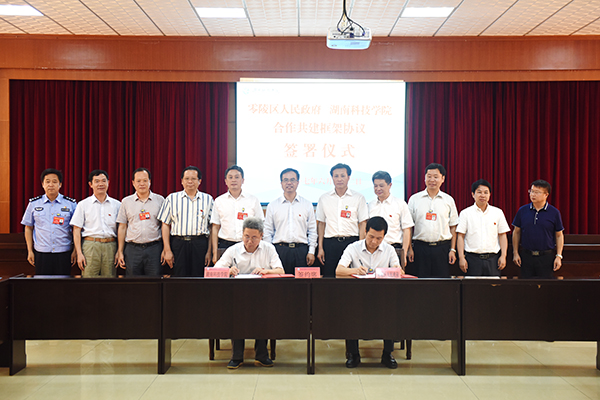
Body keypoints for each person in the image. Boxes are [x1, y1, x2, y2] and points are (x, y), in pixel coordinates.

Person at [212, 217, 284, 369]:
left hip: (263, 295)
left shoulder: (269, 248)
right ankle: (237, 356)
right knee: (236, 314)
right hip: (238, 295)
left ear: (261, 236)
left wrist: (266, 271)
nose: (249, 241)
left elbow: (280, 270)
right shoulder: (234, 250)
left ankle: (262, 355)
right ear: (242, 234)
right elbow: (215, 270)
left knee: (264, 313)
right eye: (246, 236)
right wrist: (228, 270)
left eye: (254, 237)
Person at [336, 216, 401, 369]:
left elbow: (399, 271)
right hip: (358, 295)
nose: (374, 241)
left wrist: (388, 272)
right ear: (365, 232)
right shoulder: (353, 248)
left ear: (384, 236)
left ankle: (387, 354)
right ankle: (354, 354)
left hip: (383, 295)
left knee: (391, 310)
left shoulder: (389, 250)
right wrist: (354, 270)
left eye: (379, 238)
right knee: (351, 310)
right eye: (371, 236)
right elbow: (338, 271)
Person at [157, 166, 213, 277]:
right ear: (182, 181)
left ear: (199, 181)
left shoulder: (208, 199)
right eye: (187, 179)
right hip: (178, 244)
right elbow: (165, 224)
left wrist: (209, 251)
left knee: (199, 279)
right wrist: (167, 249)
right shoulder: (172, 198)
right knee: (179, 278)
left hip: (200, 244)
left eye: (193, 179)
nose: (190, 181)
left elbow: (212, 227)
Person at [21, 168, 77, 275]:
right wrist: (30, 251)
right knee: (43, 283)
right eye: (47, 181)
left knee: (63, 283)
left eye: (54, 181)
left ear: (60, 184)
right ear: (42, 184)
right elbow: (28, 227)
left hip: (64, 252)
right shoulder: (34, 204)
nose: (51, 184)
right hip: (42, 253)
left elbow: (76, 229)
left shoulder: (71, 204)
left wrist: (75, 251)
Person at [316, 163, 368, 277]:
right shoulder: (324, 198)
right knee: (330, 276)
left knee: (352, 276)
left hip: (352, 242)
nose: (339, 179)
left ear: (348, 177)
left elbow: (362, 223)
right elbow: (321, 224)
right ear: (332, 178)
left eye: (342, 176)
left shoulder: (358, 197)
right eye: (336, 176)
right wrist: (320, 248)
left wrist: (361, 247)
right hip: (330, 244)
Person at [407, 163, 458, 278]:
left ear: (442, 179)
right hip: (420, 248)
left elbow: (453, 227)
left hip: (442, 249)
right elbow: (408, 227)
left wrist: (452, 249)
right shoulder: (414, 199)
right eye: (429, 176)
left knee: (441, 283)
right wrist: (410, 248)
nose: (432, 180)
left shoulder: (448, 200)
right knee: (421, 283)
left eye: (436, 177)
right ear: (424, 178)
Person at [263, 168, 317, 274]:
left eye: (292, 180)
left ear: (298, 182)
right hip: (280, 250)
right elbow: (268, 231)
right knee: (280, 282)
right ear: (281, 183)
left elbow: (312, 230)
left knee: (301, 283)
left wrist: (311, 251)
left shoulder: (307, 204)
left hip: (301, 251)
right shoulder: (273, 205)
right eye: (285, 180)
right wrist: (269, 253)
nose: (289, 183)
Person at [70, 169, 121, 277]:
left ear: (108, 182)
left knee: (110, 280)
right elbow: (76, 229)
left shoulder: (117, 205)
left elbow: (121, 228)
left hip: (110, 246)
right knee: (89, 280)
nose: (100, 184)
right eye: (97, 181)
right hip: (90, 246)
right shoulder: (83, 204)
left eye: (103, 181)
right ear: (90, 184)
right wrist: (79, 253)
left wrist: (119, 251)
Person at [116, 168, 165, 276]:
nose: (142, 184)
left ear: (150, 182)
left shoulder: (160, 200)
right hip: (133, 249)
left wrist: (166, 249)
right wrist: (120, 251)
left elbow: (164, 226)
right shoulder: (126, 202)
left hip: (154, 249)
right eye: (138, 181)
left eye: (145, 180)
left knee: (154, 282)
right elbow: (122, 227)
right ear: (133, 183)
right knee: (133, 283)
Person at [456, 179, 511, 276]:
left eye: (486, 192)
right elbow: (460, 236)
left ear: (490, 195)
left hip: (493, 260)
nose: (483, 195)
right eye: (479, 192)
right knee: (472, 285)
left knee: (493, 285)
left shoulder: (497, 212)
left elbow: (502, 235)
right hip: (472, 260)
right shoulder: (465, 213)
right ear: (473, 194)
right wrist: (461, 257)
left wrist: (503, 256)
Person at [211, 165, 263, 264]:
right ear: (226, 181)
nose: (233, 180)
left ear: (242, 180)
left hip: (248, 245)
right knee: (227, 273)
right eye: (230, 177)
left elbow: (260, 225)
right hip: (225, 245)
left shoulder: (253, 200)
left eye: (237, 177)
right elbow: (215, 227)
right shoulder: (219, 201)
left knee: (248, 273)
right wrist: (214, 253)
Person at [512, 179, 564, 279]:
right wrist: (515, 253)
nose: (533, 194)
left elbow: (559, 235)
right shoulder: (523, 210)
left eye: (537, 192)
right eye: (531, 191)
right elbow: (516, 232)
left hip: (546, 256)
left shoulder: (554, 212)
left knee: (545, 286)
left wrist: (558, 256)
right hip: (526, 256)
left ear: (546, 195)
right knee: (526, 285)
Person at [368, 170, 414, 267]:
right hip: (374, 250)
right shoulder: (369, 206)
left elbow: (406, 229)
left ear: (390, 185)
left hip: (395, 249)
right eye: (375, 186)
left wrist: (404, 252)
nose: (378, 189)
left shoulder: (400, 204)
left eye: (381, 185)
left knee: (395, 276)